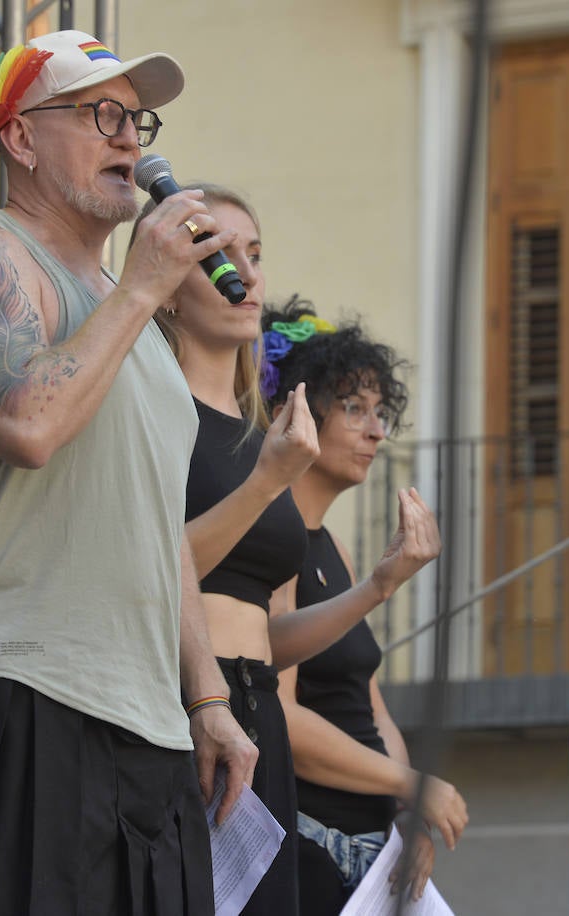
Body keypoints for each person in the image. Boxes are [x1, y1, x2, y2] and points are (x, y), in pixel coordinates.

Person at [0, 31, 256, 916]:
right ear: (22, 139)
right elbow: (30, 426)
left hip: (148, 722)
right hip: (19, 692)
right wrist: (142, 287)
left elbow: (155, 531)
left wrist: (207, 696)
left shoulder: (137, 327)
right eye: (100, 114)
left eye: (137, 118)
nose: (131, 140)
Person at [136, 189, 443, 914]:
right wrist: (269, 480)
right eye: (216, 256)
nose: (244, 274)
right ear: (170, 286)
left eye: (256, 254)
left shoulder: (252, 436)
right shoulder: (150, 410)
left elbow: (267, 645)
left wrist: (379, 582)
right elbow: (151, 569)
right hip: (186, 706)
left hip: (257, 712)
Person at [260, 300, 469, 912]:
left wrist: (409, 817)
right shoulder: (272, 542)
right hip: (314, 848)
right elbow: (281, 717)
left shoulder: (336, 548)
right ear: (297, 414)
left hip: (373, 852)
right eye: (354, 409)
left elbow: (369, 703)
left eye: (380, 412)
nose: (377, 431)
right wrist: (409, 784)